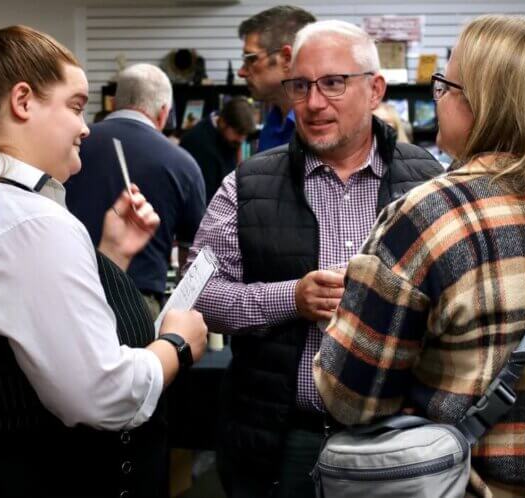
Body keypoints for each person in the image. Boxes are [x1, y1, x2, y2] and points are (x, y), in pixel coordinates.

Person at [314, 15, 525, 497]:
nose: (437, 98)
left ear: (482, 104)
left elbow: (348, 398)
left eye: (444, 85)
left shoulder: (428, 218)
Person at [0, 24, 208, 497]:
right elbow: (103, 395)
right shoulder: (27, 221)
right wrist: (177, 344)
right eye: (75, 105)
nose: (86, 125)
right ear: (23, 101)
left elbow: (23, 310)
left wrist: (110, 255)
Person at [187, 20, 442, 498]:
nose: (314, 102)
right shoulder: (249, 184)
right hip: (281, 439)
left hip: (399, 440)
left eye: (333, 83)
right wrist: (292, 298)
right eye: (301, 86)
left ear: (375, 89)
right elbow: (200, 295)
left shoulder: (428, 182)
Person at [66, 64, 206, 318]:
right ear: (164, 113)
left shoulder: (70, 147)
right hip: (138, 301)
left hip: (67, 292)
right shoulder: (183, 164)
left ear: (115, 101)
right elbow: (192, 256)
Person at [237, 5, 316, 152]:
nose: (241, 72)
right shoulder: (273, 124)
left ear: (287, 59)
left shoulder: (323, 131)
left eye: (251, 59)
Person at [180, 96, 256, 204]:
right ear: (223, 122)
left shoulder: (229, 139)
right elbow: (204, 196)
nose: (241, 140)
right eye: (238, 133)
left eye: (245, 135)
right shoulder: (198, 143)